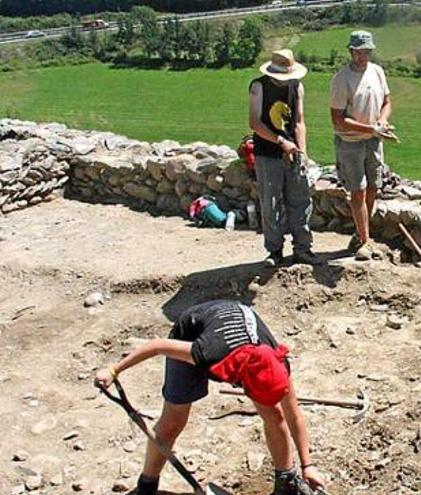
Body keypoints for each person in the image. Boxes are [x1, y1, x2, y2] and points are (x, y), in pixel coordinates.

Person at [94, 300, 326, 495]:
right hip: (193, 329)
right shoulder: (206, 352)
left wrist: (308, 465)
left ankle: (286, 480)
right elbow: (157, 346)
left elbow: (293, 415)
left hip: (238, 335)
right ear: (242, 382)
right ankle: (147, 485)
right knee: (173, 422)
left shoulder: (277, 362)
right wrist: (114, 370)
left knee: (275, 415)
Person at [249, 49, 322, 268]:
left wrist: (302, 151)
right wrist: (282, 142)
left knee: (301, 200)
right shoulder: (258, 87)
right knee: (271, 202)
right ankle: (275, 251)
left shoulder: (297, 86)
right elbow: (255, 123)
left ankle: (303, 248)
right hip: (267, 153)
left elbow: (299, 122)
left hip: (293, 151)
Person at [330, 30, 395, 261]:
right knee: (357, 190)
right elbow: (337, 119)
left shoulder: (377, 72)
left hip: (373, 140)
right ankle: (365, 241)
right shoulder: (341, 79)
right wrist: (371, 129)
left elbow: (387, 102)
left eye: (367, 51)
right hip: (350, 143)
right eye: (359, 52)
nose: (363, 56)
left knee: (373, 187)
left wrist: (382, 120)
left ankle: (361, 234)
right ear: (351, 51)